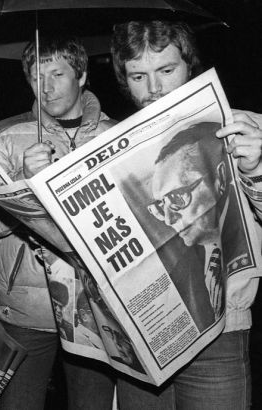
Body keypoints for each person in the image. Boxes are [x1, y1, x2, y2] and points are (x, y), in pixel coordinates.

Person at [111, 20, 262, 410]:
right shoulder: (112, 146)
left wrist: (256, 169)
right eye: (138, 76)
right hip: (145, 336)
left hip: (222, 331)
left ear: (189, 65)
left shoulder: (243, 127)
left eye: (166, 70)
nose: (154, 88)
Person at [0, 36, 116, 410]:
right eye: (37, 76)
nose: (47, 86)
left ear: (83, 75)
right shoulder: (2, 136)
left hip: (98, 309)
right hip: (25, 307)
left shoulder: (117, 134)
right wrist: (24, 182)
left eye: (58, 73)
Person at [149, 121, 248, 331]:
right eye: (160, 205)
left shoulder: (244, 135)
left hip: (232, 329)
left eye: (176, 197)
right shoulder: (182, 261)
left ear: (219, 178)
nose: (168, 218)